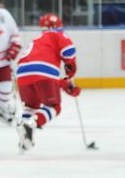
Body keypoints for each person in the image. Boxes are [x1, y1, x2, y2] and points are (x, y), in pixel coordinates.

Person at [12, 13, 78, 152]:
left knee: (31, 107)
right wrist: (71, 71)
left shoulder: (36, 40)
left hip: (22, 74)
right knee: (54, 107)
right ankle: (32, 125)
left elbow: (37, 70)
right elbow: (69, 51)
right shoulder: (58, 35)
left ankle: (25, 140)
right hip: (44, 72)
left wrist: (65, 83)